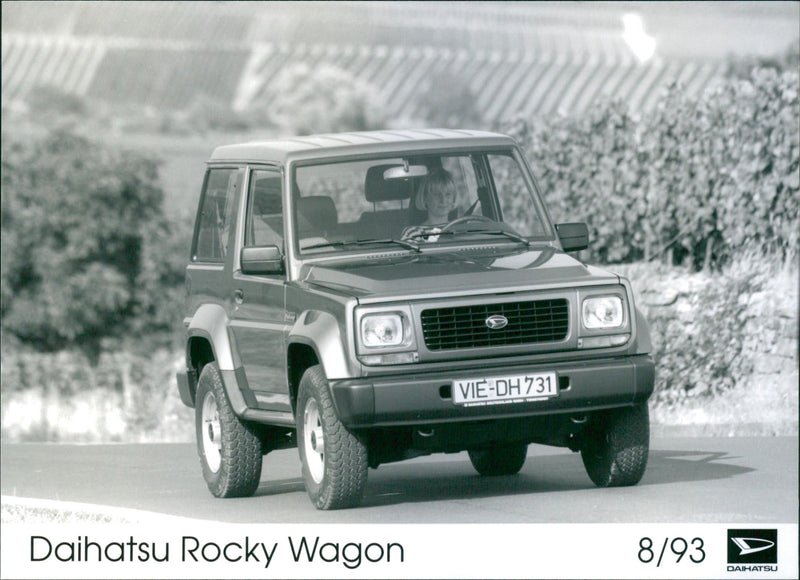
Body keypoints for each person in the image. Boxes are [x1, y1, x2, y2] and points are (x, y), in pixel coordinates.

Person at [401, 168, 458, 241]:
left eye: (448, 194)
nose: (443, 200)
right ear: (425, 198)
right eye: (437, 194)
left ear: (454, 197)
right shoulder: (414, 233)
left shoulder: (460, 229)